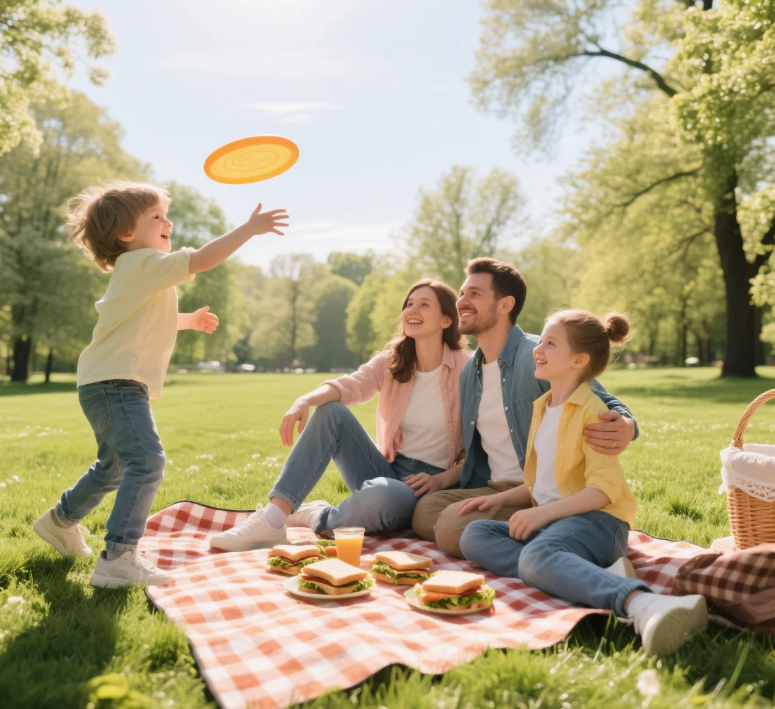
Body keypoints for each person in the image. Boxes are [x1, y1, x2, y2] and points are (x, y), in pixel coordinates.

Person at [33, 181, 288, 588]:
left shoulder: (138, 272)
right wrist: (248, 228)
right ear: (125, 234)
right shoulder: (144, 262)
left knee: (114, 466)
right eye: (156, 216)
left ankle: (60, 521)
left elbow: (148, 317)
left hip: (103, 383)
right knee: (147, 461)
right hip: (115, 384)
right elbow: (203, 259)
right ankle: (118, 557)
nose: (167, 221)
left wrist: (190, 320)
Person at [459, 309, 707, 656]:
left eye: (550, 343)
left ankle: (641, 604)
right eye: (541, 341)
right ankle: (588, 572)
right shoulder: (543, 407)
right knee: (476, 535)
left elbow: (602, 491)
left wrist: (542, 515)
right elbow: (545, 479)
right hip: (559, 525)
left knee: (535, 557)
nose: (538, 349)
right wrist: (501, 500)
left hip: (599, 522)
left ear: (579, 359)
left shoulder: (593, 413)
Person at [209, 279, 472, 551]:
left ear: (445, 320)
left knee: (381, 497)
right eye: (409, 304)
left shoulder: (468, 368)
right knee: (331, 411)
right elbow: (351, 385)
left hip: (435, 484)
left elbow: (481, 449)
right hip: (389, 471)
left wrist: (442, 479)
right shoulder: (392, 361)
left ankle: (318, 516)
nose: (411, 310)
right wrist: (305, 400)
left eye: (424, 304)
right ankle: (273, 518)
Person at [412, 258, 639, 557]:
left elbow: (601, 400)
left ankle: (551, 536)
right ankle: (536, 536)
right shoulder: (470, 372)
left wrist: (627, 424)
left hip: (539, 488)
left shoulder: (540, 356)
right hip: (495, 487)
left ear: (505, 305)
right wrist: (445, 480)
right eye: (463, 293)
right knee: (424, 512)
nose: (462, 302)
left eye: (475, 294)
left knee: (452, 529)